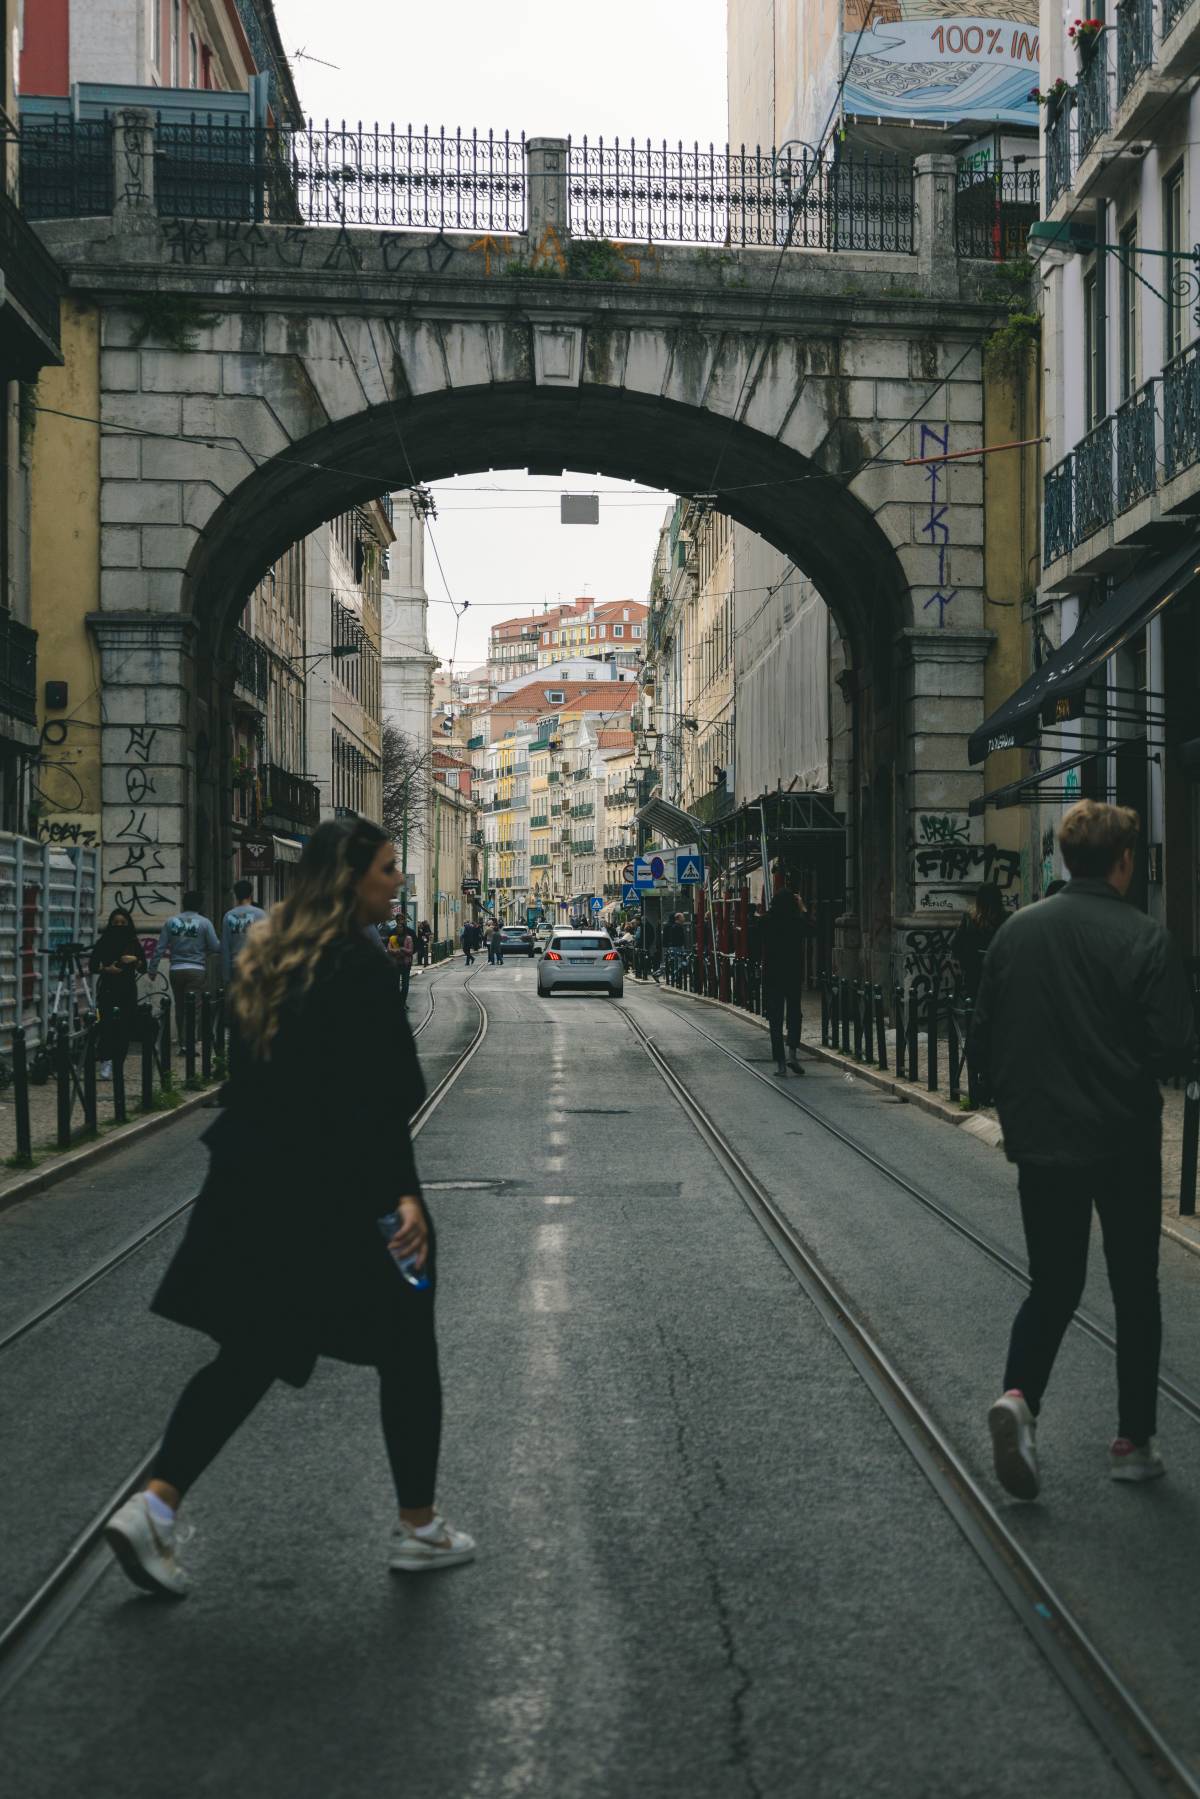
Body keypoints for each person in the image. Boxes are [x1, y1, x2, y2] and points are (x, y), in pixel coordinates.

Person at [102, 818, 475, 1597]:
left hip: (256, 1191)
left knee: (252, 1351)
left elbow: (255, 1083)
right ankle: (419, 1524)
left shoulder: (269, 958)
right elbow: (381, 1100)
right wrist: (402, 1200)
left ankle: (156, 1505)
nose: (397, 881)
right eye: (385, 868)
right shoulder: (362, 966)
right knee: (408, 1342)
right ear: (349, 879)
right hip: (342, 1202)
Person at [973, 801, 1195, 1501]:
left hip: (1044, 1140)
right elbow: (1173, 1046)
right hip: (1124, 1140)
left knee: (1054, 1283)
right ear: (1125, 861)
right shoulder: (1145, 939)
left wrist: (1020, 1100)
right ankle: (1133, 1442)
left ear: (1067, 859)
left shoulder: (1016, 932)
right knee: (1135, 1289)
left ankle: (1019, 1397)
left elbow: (983, 1038)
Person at [151, 891, 220, 1049]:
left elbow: (160, 948)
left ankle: (182, 1042)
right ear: (200, 904)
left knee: (180, 1006)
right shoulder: (204, 923)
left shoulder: (171, 922)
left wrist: (152, 969)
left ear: (184, 903)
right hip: (196, 970)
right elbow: (215, 946)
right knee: (194, 1008)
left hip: (176, 969)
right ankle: (189, 1043)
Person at [90, 908, 147, 1080]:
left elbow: (144, 966)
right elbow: (93, 965)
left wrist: (135, 960)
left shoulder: (133, 942)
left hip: (127, 989)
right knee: (106, 1025)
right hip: (108, 988)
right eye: (116, 923)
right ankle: (106, 1060)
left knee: (124, 1027)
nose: (119, 926)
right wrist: (108, 969)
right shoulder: (104, 941)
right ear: (111, 924)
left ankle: (119, 1062)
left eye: (123, 923)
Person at [761, 887, 810, 1078]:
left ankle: (780, 1063)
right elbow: (812, 928)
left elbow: (756, 932)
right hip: (792, 974)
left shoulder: (767, 921)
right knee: (794, 1014)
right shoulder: (796, 921)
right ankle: (792, 1054)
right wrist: (802, 907)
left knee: (775, 1019)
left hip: (772, 976)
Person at [951, 882, 1007, 1004]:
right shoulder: (1007, 919)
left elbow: (955, 946)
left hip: (975, 975)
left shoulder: (969, 919)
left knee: (975, 1010)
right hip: (1000, 975)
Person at [220, 880, 266, 986]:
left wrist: (225, 975)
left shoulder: (228, 916)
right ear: (251, 894)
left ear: (235, 895)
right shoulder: (261, 914)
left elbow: (225, 946)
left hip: (236, 966)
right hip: (256, 965)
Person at [387, 918, 415, 1005]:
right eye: (397, 927)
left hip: (406, 964)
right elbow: (389, 949)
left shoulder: (408, 938)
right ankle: (398, 1001)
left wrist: (402, 949)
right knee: (395, 984)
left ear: (403, 928)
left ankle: (403, 1001)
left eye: (400, 927)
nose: (399, 929)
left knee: (405, 985)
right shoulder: (392, 938)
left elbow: (410, 951)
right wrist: (399, 951)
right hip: (396, 964)